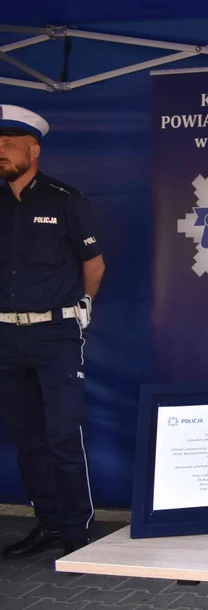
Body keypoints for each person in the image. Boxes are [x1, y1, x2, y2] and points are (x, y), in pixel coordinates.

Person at [0, 105, 105, 559]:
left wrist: (82, 307)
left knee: (64, 434)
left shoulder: (65, 199)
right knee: (27, 437)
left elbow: (93, 263)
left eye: (8, 144)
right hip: (6, 338)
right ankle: (46, 523)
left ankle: (78, 532)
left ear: (33, 150)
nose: (0, 152)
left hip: (56, 336)